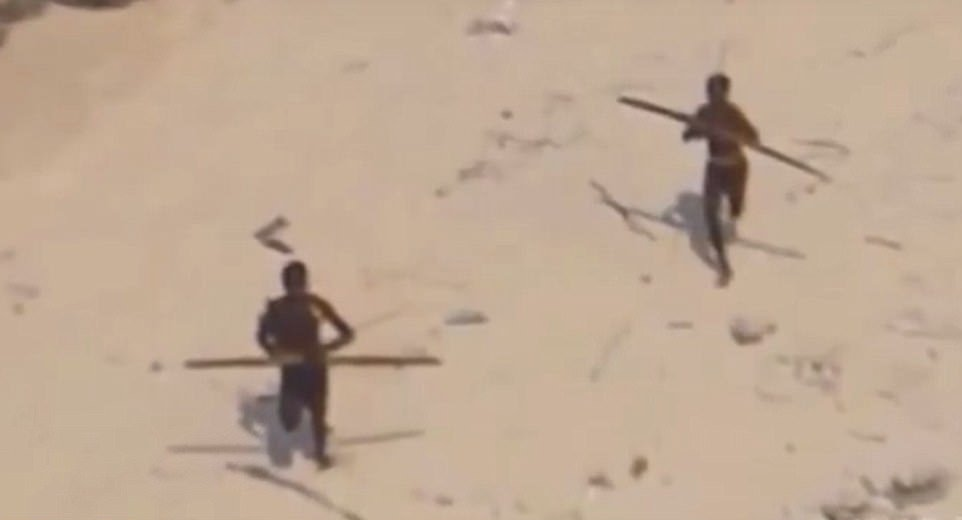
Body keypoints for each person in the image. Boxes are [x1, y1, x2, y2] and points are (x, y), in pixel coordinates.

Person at [256, 260, 355, 470]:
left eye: (299, 284)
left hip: (316, 369)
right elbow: (262, 338)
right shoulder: (276, 309)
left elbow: (347, 333)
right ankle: (293, 411)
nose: (296, 289)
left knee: (318, 415)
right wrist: (275, 352)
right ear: (285, 285)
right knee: (289, 422)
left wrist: (326, 349)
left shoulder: (316, 305)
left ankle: (321, 455)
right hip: (292, 371)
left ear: (305, 283)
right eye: (291, 285)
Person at [682, 73, 760, 287]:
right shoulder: (704, 113)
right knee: (711, 213)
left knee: (735, 208)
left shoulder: (733, 113)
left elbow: (753, 136)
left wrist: (747, 138)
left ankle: (734, 214)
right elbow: (687, 135)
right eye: (711, 92)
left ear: (726, 93)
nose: (715, 97)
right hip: (715, 168)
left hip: (736, 168)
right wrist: (697, 130)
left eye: (718, 93)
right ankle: (723, 263)